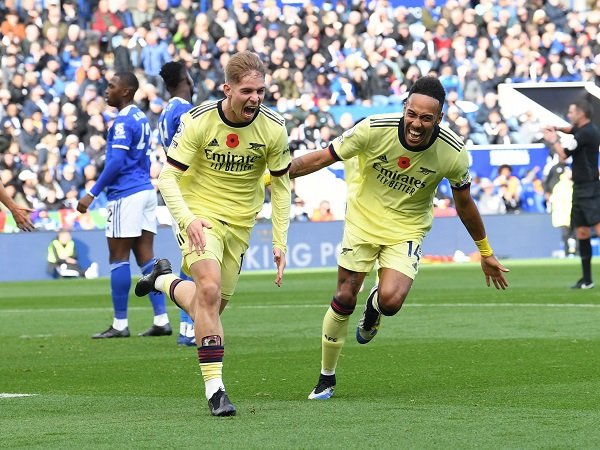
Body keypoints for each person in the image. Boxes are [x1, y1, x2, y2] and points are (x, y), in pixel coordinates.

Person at [287, 75, 509, 400]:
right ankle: (326, 377)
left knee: (391, 301)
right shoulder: (373, 128)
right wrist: (272, 176)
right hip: (362, 222)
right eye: (412, 114)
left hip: (407, 227)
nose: (417, 124)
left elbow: (464, 204)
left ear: (440, 119)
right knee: (345, 297)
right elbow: (323, 157)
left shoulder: (453, 153)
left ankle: (374, 308)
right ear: (404, 107)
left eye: (426, 118)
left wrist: (485, 251)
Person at [134, 51, 291, 416]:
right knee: (208, 289)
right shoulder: (199, 120)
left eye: (261, 91)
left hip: (240, 224)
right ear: (227, 89)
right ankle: (215, 390)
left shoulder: (273, 127)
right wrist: (187, 219)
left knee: (211, 307)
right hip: (198, 215)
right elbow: (168, 177)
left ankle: (162, 280)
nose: (255, 98)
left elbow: (281, 187)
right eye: (247, 90)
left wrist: (280, 240)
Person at [77, 71, 171, 339]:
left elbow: (116, 162)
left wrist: (92, 193)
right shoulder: (141, 118)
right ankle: (161, 320)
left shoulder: (122, 122)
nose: (106, 90)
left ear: (126, 91)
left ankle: (120, 324)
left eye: (111, 86)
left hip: (126, 194)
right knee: (146, 259)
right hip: (145, 192)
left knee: (118, 258)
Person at [158, 60, 196, 347]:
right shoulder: (183, 111)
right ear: (186, 78)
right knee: (197, 255)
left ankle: (188, 324)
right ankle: (188, 325)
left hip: (176, 188)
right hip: (188, 188)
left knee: (191, 255)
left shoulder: (166, 110)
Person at [544, 100, 600, 289]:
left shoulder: (587, 133)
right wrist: (558, 128)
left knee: (598, 229)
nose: (569, 114)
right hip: (580, 188)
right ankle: (587, 279)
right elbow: (570, 130)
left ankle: (587, 279)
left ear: (581, 114)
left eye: (571, 111)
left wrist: (553, 139)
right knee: (582, 231)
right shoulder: (583, 131)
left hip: (591, 188)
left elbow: (563, 155)